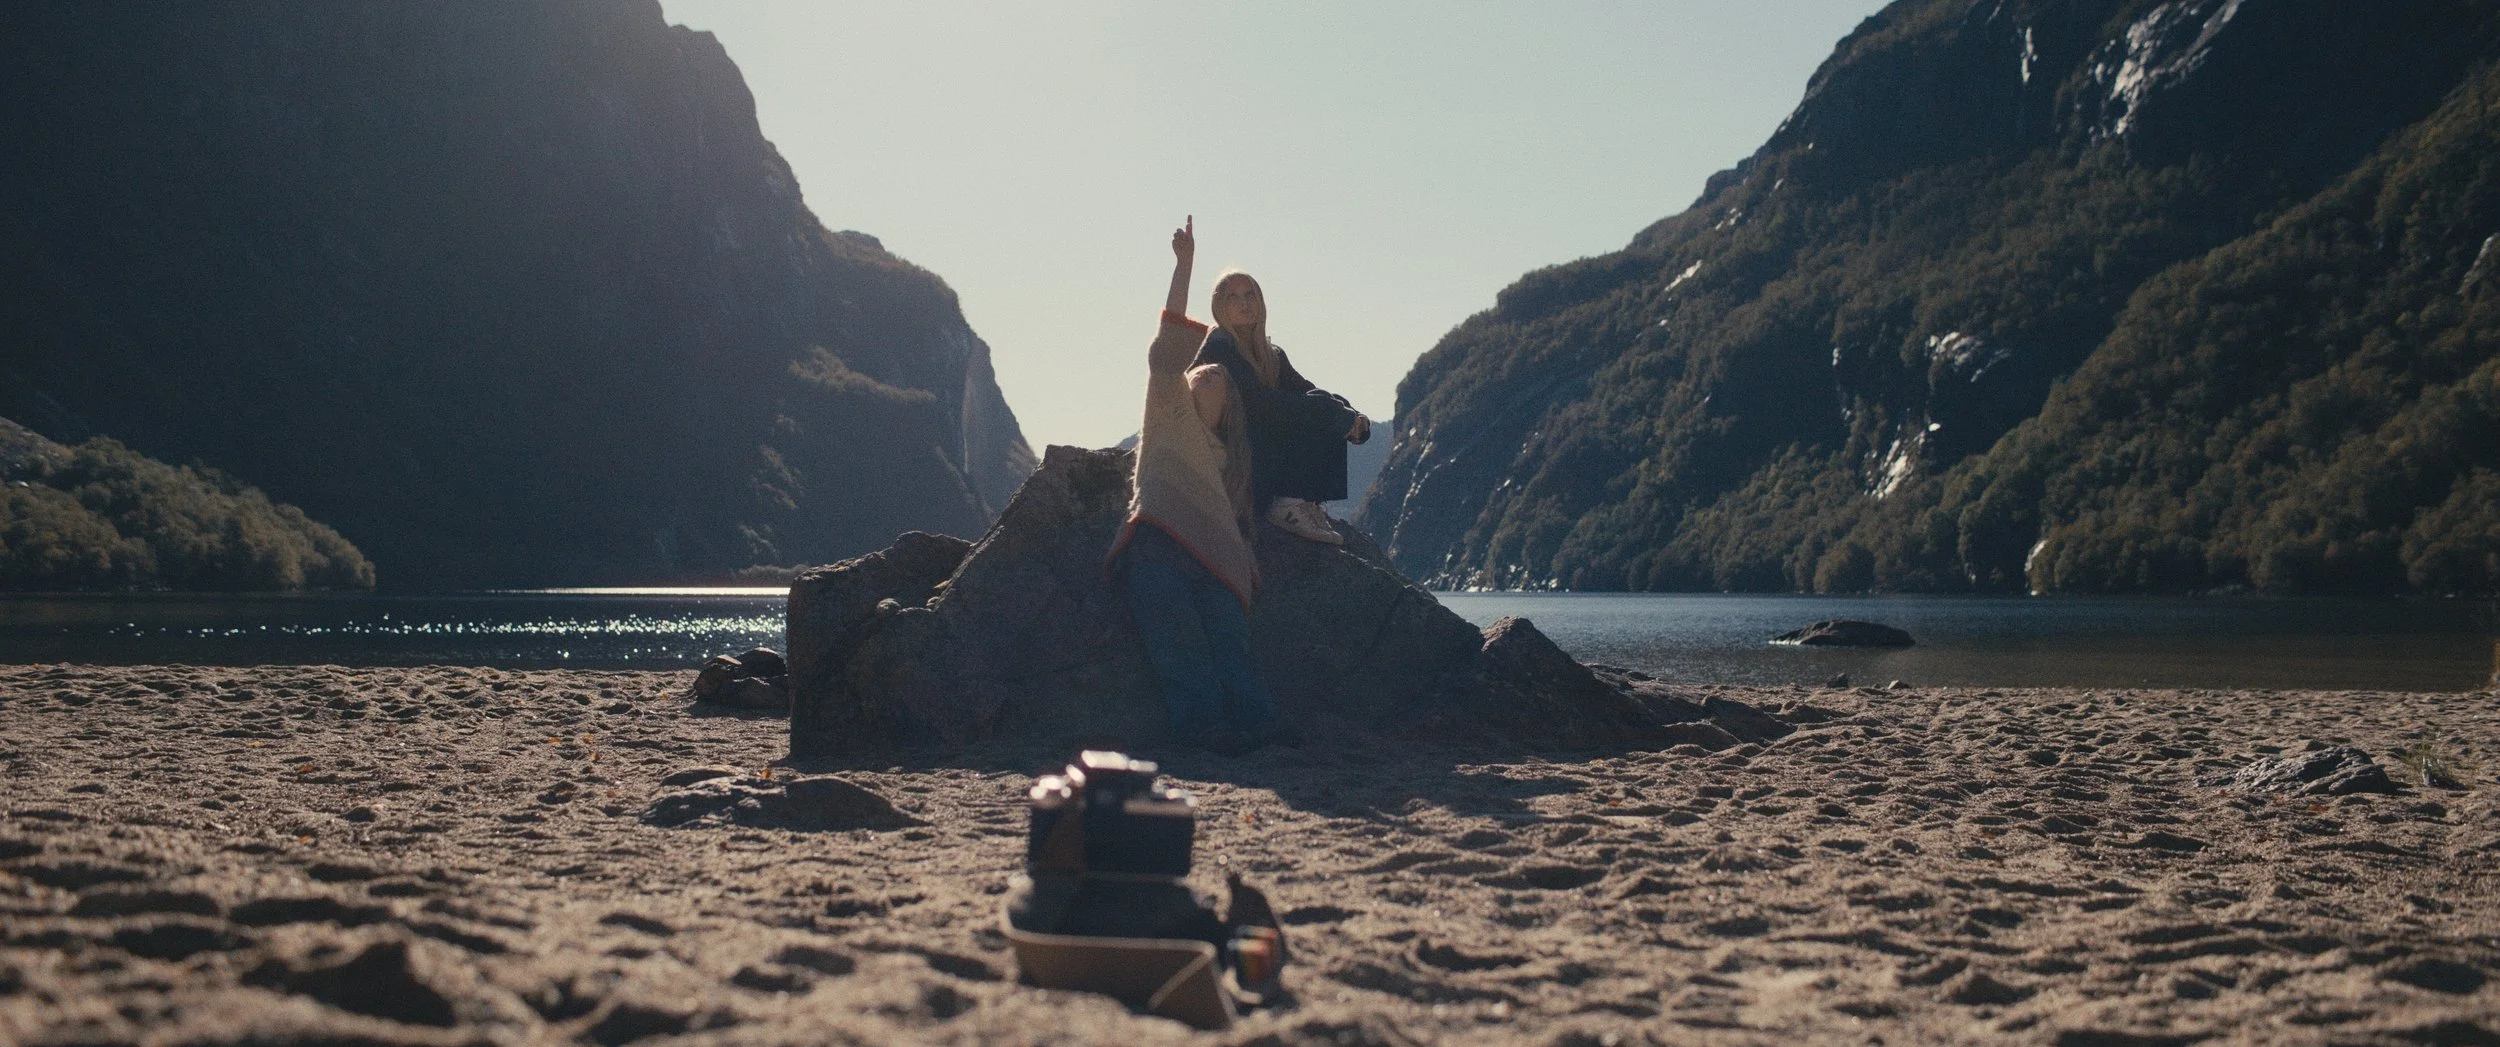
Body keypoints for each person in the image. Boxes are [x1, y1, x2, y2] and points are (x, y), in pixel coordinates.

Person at [1106, 216, 1292, 752]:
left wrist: (1246, 553)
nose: (1207, 372)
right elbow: (1167, 347)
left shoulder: (1232, 459)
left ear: (1229, 408)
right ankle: (1204, 730)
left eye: (1218, 377)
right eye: (1200, 371)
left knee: (1232, 641)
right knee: (1177, 644)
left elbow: (1238, 518)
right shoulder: (1169, 413)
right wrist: (1184, 266)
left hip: (1214, 557)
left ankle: (1259, 723)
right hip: (1157, 547)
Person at [1190, 269, 1371, 545]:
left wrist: (1352, 415)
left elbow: (1304, 389)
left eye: (1250, 295)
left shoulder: (1270, 354)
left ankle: (1300, 502)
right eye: (1232, 298)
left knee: (1326, 405)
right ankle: (1286, 504)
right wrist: (1332, 412)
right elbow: (1258, 405)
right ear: (1219, 307)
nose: (1244, 303)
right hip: (1227, 462)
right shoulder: (1218, 348)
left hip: (1259, 450)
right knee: (1321, 410)